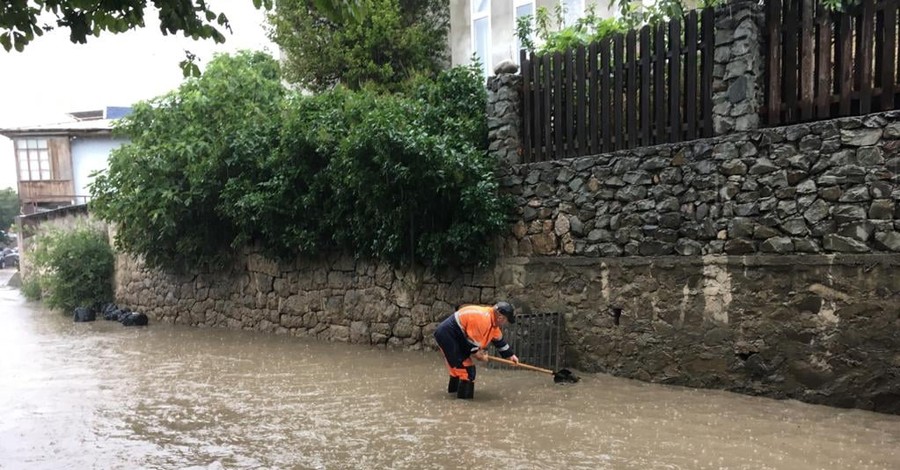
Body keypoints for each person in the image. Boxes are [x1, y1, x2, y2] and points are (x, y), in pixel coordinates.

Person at [433, 301, 519, 399]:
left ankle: (452, 399)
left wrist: (510, 356)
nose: (506, 324)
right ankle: (464, 407)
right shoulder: (483, 320)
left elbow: (499, 341)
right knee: (467, 371)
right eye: (507, 321)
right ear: (500, 318)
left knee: (457, 370)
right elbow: (474, 351)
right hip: (448, 336)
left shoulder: (492, 321)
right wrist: (482, 356)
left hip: (453, 336)